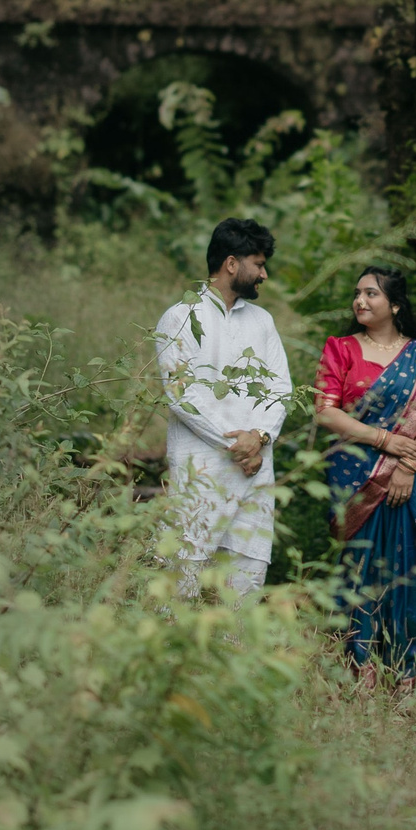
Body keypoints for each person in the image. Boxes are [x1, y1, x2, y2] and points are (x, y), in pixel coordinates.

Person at [314, 266, 416, 685]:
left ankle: (407, 670)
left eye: (371, 294)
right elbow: (325, 412)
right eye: (357, 293)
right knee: (361, 565)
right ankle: (362, 667)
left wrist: (408, 466)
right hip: (357, 475)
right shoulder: (340, 349)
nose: (360, 301)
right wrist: (384, 441)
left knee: (411, 563)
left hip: (411, 476)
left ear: (394, 304)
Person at [154, 217, 291, 600]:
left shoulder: (262, 321)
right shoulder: (180, 317)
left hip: (254, 469)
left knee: (248, 571)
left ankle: (237, 655)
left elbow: (281, 388)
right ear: (232, 264)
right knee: (186, 568)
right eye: (259, 264)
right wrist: (239, 444)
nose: (263, 274)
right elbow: (182, 394)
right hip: (203, 466)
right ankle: (172, 657)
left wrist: (260, 437)